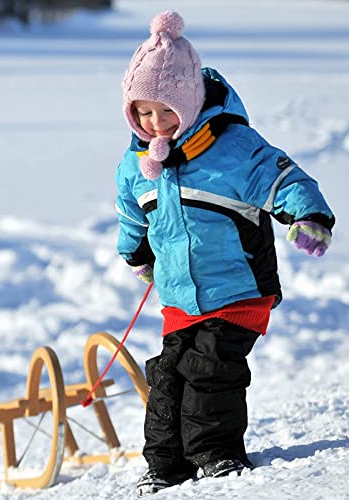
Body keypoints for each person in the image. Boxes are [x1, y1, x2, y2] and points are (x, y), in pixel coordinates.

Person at [114, 10, 335, 497]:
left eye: (166, 112)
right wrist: (136, 255)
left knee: (210, 368)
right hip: (179, 298)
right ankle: (166, 464)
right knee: (167, 375)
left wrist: (309, 216)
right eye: (143, 113)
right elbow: (132, 214)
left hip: (237, 289)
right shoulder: (136, 164)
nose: (156, 124)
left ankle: (216, 453)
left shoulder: (233, 148)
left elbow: (284, 179)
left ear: (191, 101)